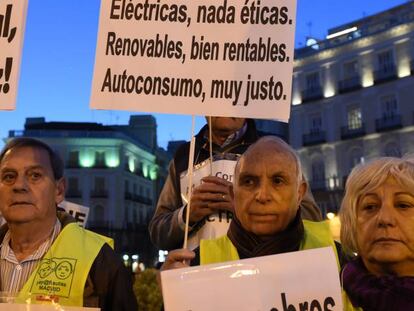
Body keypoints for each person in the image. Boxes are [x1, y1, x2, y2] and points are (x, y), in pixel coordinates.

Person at [0, 138, 137, 310]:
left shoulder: (101, 260)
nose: (19, 185)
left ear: (59, 190)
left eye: (35, 175)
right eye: (9, 177)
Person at [161, 136, 338, 269]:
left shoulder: (339, 263)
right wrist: (174, 296)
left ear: (300, 193)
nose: (262, 195)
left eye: (277, 181)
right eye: (248, 182)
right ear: (233, 194)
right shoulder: (194, 265)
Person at [149, 118, 322, 250]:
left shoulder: (275, 150)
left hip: (263, 274)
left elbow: (312, 218)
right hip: (200, 281)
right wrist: (187, 215)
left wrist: (247, 208)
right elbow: (158, 232)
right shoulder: (184, 156)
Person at [339, 157, 414, 311]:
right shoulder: (321, 295)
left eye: (403, 205)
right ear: (351, 222)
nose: (385, 219)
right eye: (370, 207)